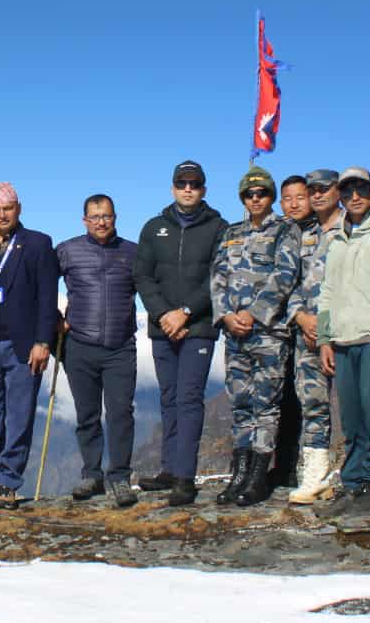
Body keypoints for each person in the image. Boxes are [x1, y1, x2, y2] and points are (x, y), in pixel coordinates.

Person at [133, 160, 226, 507]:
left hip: (198, 328)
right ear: (172, 188)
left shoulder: (219, 227)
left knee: (189, 398)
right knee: (169, 397)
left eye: (195, 183)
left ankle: (185, 478)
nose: (188, 189)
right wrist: (162, 315)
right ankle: (169, 469)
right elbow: (142, 276)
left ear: (204, 188)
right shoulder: (154, 227)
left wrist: (184, 312)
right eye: (182, 183)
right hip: (162, 329)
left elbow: (217, 277)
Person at [210, 166, 302, 508]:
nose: (255, 199)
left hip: (268, 332)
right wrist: (226, 316)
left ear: (271, 196)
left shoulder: (284, 230)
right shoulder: (231, 233)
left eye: (262, 193)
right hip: (235, 335)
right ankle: (240, 471)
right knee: (240, 404)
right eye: (249, 195)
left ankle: (258, 475)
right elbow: (218, 276)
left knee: (266, 404)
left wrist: (255, 312)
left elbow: (285, 274)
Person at [0, 182, 59, 507]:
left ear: (18, 208)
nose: (2, 214)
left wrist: (43, 341)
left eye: (7, 208)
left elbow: (48, 296)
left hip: (24, 346)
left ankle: (8, 482)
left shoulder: (37, 243)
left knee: (19, 416)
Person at [316, 168, 370, 515]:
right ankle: (352, 483)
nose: (354, 197)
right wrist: (325, 337)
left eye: (361, 189)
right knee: (351, 418)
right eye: (348, 190)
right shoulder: (335, 236)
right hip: (342, 339)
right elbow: (327, 290)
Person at [56, 194, 139, 508]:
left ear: (115, 218)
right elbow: (39, 283)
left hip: (121, 345)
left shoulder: (132, 253)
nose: (101, 222)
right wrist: (53, 318)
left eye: (107, 216)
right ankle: (91, 474)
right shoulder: (67, 251)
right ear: (84, 220)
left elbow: (151, 287)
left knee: (121, 413)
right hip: (79, 344)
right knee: (86, 414)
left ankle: (119, 477)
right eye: (95, 217)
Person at [285, 169, 342, 503]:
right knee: (312, 403)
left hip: (345, 331)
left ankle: (356, 475)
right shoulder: (301, 236)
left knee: (353, 405)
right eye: (313, 190)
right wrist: (301, 317)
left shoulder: (351, 228)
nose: (317, 195)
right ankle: (315, 475)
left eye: (324, 189)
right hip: (306, 334)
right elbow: (289, 281)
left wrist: (327, 323)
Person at [269, 176, 309, 489]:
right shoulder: (276, 231)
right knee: (281, 400)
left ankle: (307, 468)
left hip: (310, 327)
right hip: (276, 327)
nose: (293, 204)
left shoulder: (322, 230)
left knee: (310, 401)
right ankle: (282, 467)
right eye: (287, 198)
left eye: (300, 197)